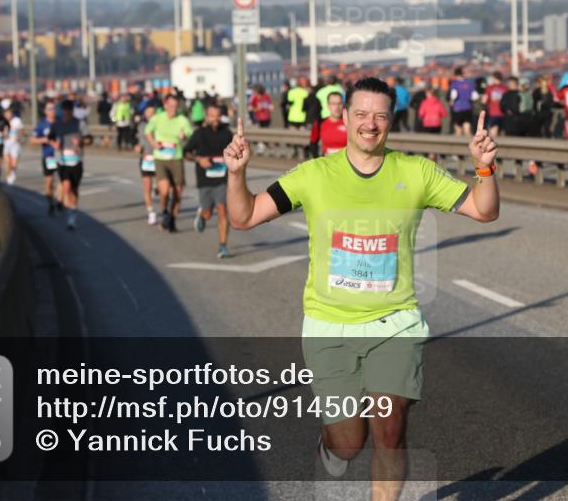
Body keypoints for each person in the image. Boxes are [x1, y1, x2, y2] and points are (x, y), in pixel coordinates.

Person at [224, 77, 499, 500]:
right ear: (346, 116)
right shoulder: (313, 175)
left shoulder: (416, 171)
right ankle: (331, 444)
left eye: (380, 115)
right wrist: (237, 174)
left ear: (391, 120)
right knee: (349, 442)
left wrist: (484, 167)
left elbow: (484, 210)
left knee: (389, 429)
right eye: (361, 114)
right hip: (329, 325)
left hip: (395, 322)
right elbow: (244, 217)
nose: (370, 124)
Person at [184, 104, 235, 258]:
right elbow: (186, 152)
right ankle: (202, 214)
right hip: (204, 179)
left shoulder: (227, 133)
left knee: (222, 210)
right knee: (208, 213)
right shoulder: (199, 134)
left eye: (218, 116)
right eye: (212, 116)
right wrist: (199, 159)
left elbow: (237, 150)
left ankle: (223, 246)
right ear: (207, 117)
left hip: (223, 179)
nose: (216, 119)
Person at [145, 94, 194, 233]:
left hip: (176, 158)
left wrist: (184, 135)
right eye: (170, 105)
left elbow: (190, 133)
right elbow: (147, 131)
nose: (173, 108)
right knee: (165, 190)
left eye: (175, 106)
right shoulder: (157, 118)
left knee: (178, 192)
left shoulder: (182, 119)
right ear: (165, 105)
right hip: (161, 158)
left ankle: (172, 219)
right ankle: (165, 210)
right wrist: (154, 143)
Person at [49, 100, 92, 230]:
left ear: (72, 111)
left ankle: (72, 213)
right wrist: (55, 144)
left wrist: (81, 142)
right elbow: (50, 138)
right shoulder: (57, 124)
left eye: (69, 110)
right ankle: (69, 215)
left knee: (74, 189)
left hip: (76, 161)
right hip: (62, 161)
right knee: (66, 187)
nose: (67, 112)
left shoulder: (80, 123)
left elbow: (89, 139)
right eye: (65, 110)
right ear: (62, 111)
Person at [31, 101, 63, 216]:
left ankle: (59, 201)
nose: (52, 110)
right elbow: (32, 140)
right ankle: (51, 203)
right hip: (48, 156)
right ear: (45, 111)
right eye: (49, 108)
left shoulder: (60, 123)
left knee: (63, 180)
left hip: (60, 156)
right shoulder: (42, 125)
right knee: (49, 183)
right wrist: (45, 140)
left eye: (53, 108)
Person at [135, 105, 159, 225]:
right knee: (147, 187)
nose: (150, 115)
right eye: (148, 112)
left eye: (152, 112)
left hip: (159, 158)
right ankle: (151, 212)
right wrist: (138, 147)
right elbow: (138, 141)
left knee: (161, 186)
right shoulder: (141, 126)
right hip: (146, 159)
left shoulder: (160, 125)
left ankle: (157, 188)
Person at [448, 67, 477, 135]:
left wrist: (451, 101)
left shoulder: (454, 83)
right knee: (467, 127)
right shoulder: (469, 83)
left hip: (457, 108)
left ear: (456, 75)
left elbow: (454, 94)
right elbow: (474, 96)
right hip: (468, 107)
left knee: (458, 129)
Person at [481, 72, 508, 138]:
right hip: (504, 114)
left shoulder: (490, 88)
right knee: (503, 133)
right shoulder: (506, 88)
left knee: (493, 135)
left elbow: (484, 101)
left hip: (493, 113)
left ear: (494, 78)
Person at [2, 107, 25, 185]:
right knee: (7, 162)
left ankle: (13, 173)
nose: (8, 116)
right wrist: (3, 136)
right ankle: (8, 178)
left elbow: (22, 131)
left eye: (9, 114)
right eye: (6, 114)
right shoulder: (2, 121)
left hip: (15, 144)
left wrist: (18, 136)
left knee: (14, 163)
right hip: (6, 144)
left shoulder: (17, 121)